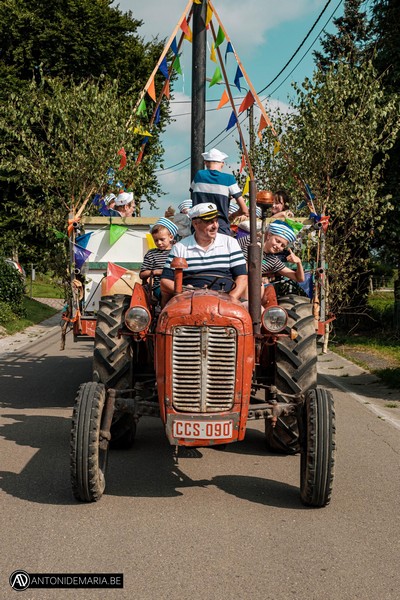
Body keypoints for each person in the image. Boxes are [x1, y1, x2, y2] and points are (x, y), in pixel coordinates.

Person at [160, 202, 248, 306]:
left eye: (216, 221)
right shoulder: (180, 247)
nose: (215, 226)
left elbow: (242, 277)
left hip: (226, 301)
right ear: (195, 224)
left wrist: (230, 300)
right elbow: (165, 281)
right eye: (209, 222)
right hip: (190, 303)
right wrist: (184, 291)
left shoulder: (230, 243)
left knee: (259, 311)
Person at [238, 220, 304, 305]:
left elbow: (299, 278)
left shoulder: (273, 260)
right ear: (269, 236)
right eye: (277, 241)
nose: (278, 246)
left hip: (250, 293)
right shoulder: (249, 241)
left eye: (283, 245)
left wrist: (299, 263)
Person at [190, 148, 249, 236]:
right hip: (220, 225)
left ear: (206, 163)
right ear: (222, 163)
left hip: (199, 225)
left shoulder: (199, 175)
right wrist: (232, 216)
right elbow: (244, 210)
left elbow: (193, 192)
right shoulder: (229, 179)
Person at [140, 218, 178, 301]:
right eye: (156, 240)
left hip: (178, 285)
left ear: (171, 237)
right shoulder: (152, 254)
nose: (159, 243)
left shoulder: (178, 252)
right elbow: (142, 274)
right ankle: (164, 309)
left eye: (162, 239)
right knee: (168, 293)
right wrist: (155, 272)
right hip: (159, 286)